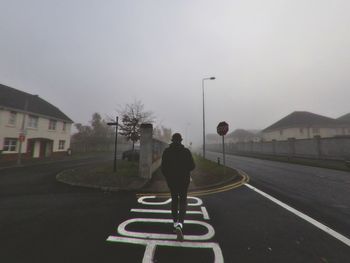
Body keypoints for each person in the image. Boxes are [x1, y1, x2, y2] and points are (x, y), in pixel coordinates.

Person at [161, 133, 195, 241]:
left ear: (172, 140)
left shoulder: (167, 152)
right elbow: (192, 166)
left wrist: (168, 177)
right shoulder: (186, 152)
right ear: (181, 140)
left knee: (174, 200)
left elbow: (163, 168)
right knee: (183, 201)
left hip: (172, 181)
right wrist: (185, 170)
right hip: (184, 181)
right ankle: (180, 224)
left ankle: (175, 224)